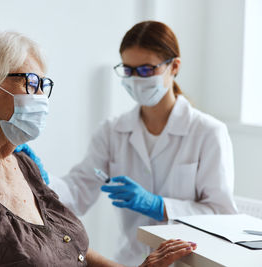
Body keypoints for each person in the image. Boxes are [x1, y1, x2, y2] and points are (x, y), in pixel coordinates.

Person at [0, 28, 196, 266]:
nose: (41, 96)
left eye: (44, 84)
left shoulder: (19, 163)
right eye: (30, 82)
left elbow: (67, 250)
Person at [21, 20, 237, 266]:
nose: (136, 78)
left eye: (146, 70)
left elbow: (222, 215)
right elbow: (77, 191)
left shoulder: (208, 132)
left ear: (174, 66)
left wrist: (160, 206)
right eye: (129, 70)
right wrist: (41, 178)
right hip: (132, 259)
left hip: (190, 261)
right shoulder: (113, 131)